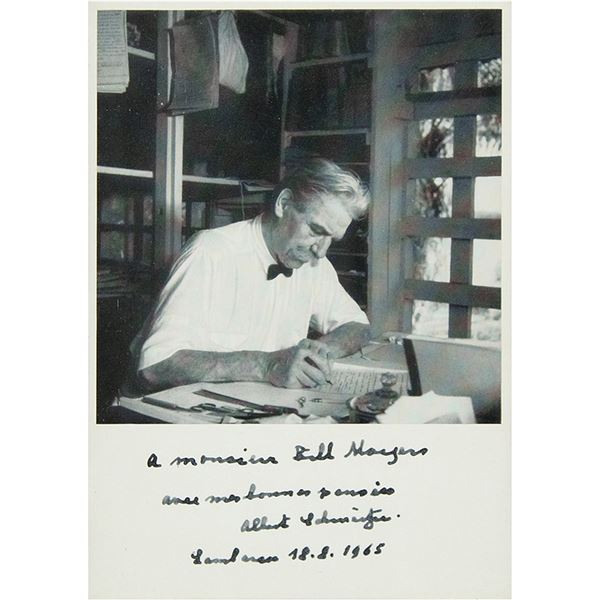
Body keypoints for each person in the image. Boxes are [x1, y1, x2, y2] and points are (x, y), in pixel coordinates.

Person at [132, 158, 371, 393]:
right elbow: (155, 367)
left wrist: (315, 355)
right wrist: (267, 365)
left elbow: (358, 326)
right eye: (316, 230)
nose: (321, 251)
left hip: (253, 405)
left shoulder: (314, 264)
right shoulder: (210, 251)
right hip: (167, 408)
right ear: (283, 203)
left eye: (332, 239)